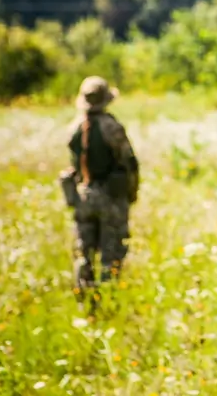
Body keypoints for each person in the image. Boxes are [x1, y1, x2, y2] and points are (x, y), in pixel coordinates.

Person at [65, 76, 139, 299]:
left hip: (83, 196)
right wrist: (132, 193)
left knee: (83, 252)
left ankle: (85, 298)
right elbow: (129, 163)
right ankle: (108, 297)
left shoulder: (75, 128)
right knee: (111, 252)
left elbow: (75, 164)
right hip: (110, 198)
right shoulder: (111, 126)